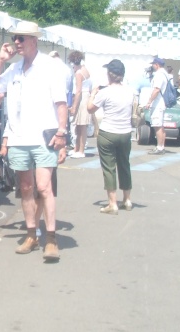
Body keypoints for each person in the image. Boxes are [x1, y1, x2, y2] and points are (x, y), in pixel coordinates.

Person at [0, 21, 68, 262]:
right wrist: (0, 60)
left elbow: (61, 103)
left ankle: (51, 239)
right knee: (25, 188)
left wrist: (62, 132)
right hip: (19, 137)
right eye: (15, 38)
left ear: (34, 40)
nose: (17, 43)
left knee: (44, 187)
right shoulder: (13, 69)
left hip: (43, 136)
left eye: (21, 38)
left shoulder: (50, 67)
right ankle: (32, 234)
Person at [87, 59, 134, 215]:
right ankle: (127, 199)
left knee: (109, 168)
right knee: (124, 165)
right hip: (125, 132)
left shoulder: (104, 92)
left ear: (109, 74)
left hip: (108, 132)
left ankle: (112, 203)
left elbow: (90, 109)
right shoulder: (129, 91)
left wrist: (93, 93)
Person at [68, 50, 92, 159]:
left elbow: (78, 92)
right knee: (79, 125)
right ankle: (76, 148)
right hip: (86, 96)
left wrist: (74, 106)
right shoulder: (85, 70)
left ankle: (81, 150)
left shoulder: (78, 73)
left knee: (81, 126)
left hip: (82, 98)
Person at [143, 57, 170, 155]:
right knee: (160, 126)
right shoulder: (165, 74)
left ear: (157, 65)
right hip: (162, 103)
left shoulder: (159, 75)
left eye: (153, 64)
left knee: (157, 126)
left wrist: (149, 101)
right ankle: (161, 146)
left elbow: (156, 89)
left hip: (158, 103)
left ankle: (159, 147)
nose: (152, 66)